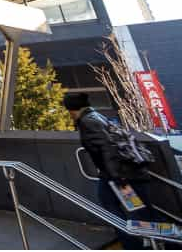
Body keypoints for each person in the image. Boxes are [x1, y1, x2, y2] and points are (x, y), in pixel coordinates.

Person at [63, 92, 155, 249]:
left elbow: (107, 148)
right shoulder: (96, 116)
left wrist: (116, 176)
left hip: (117, 175)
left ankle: (135, 244)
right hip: (125, 171)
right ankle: (146, 241)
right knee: (135, 208)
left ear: (71, 110)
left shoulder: (87, 122)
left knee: (118, 208)